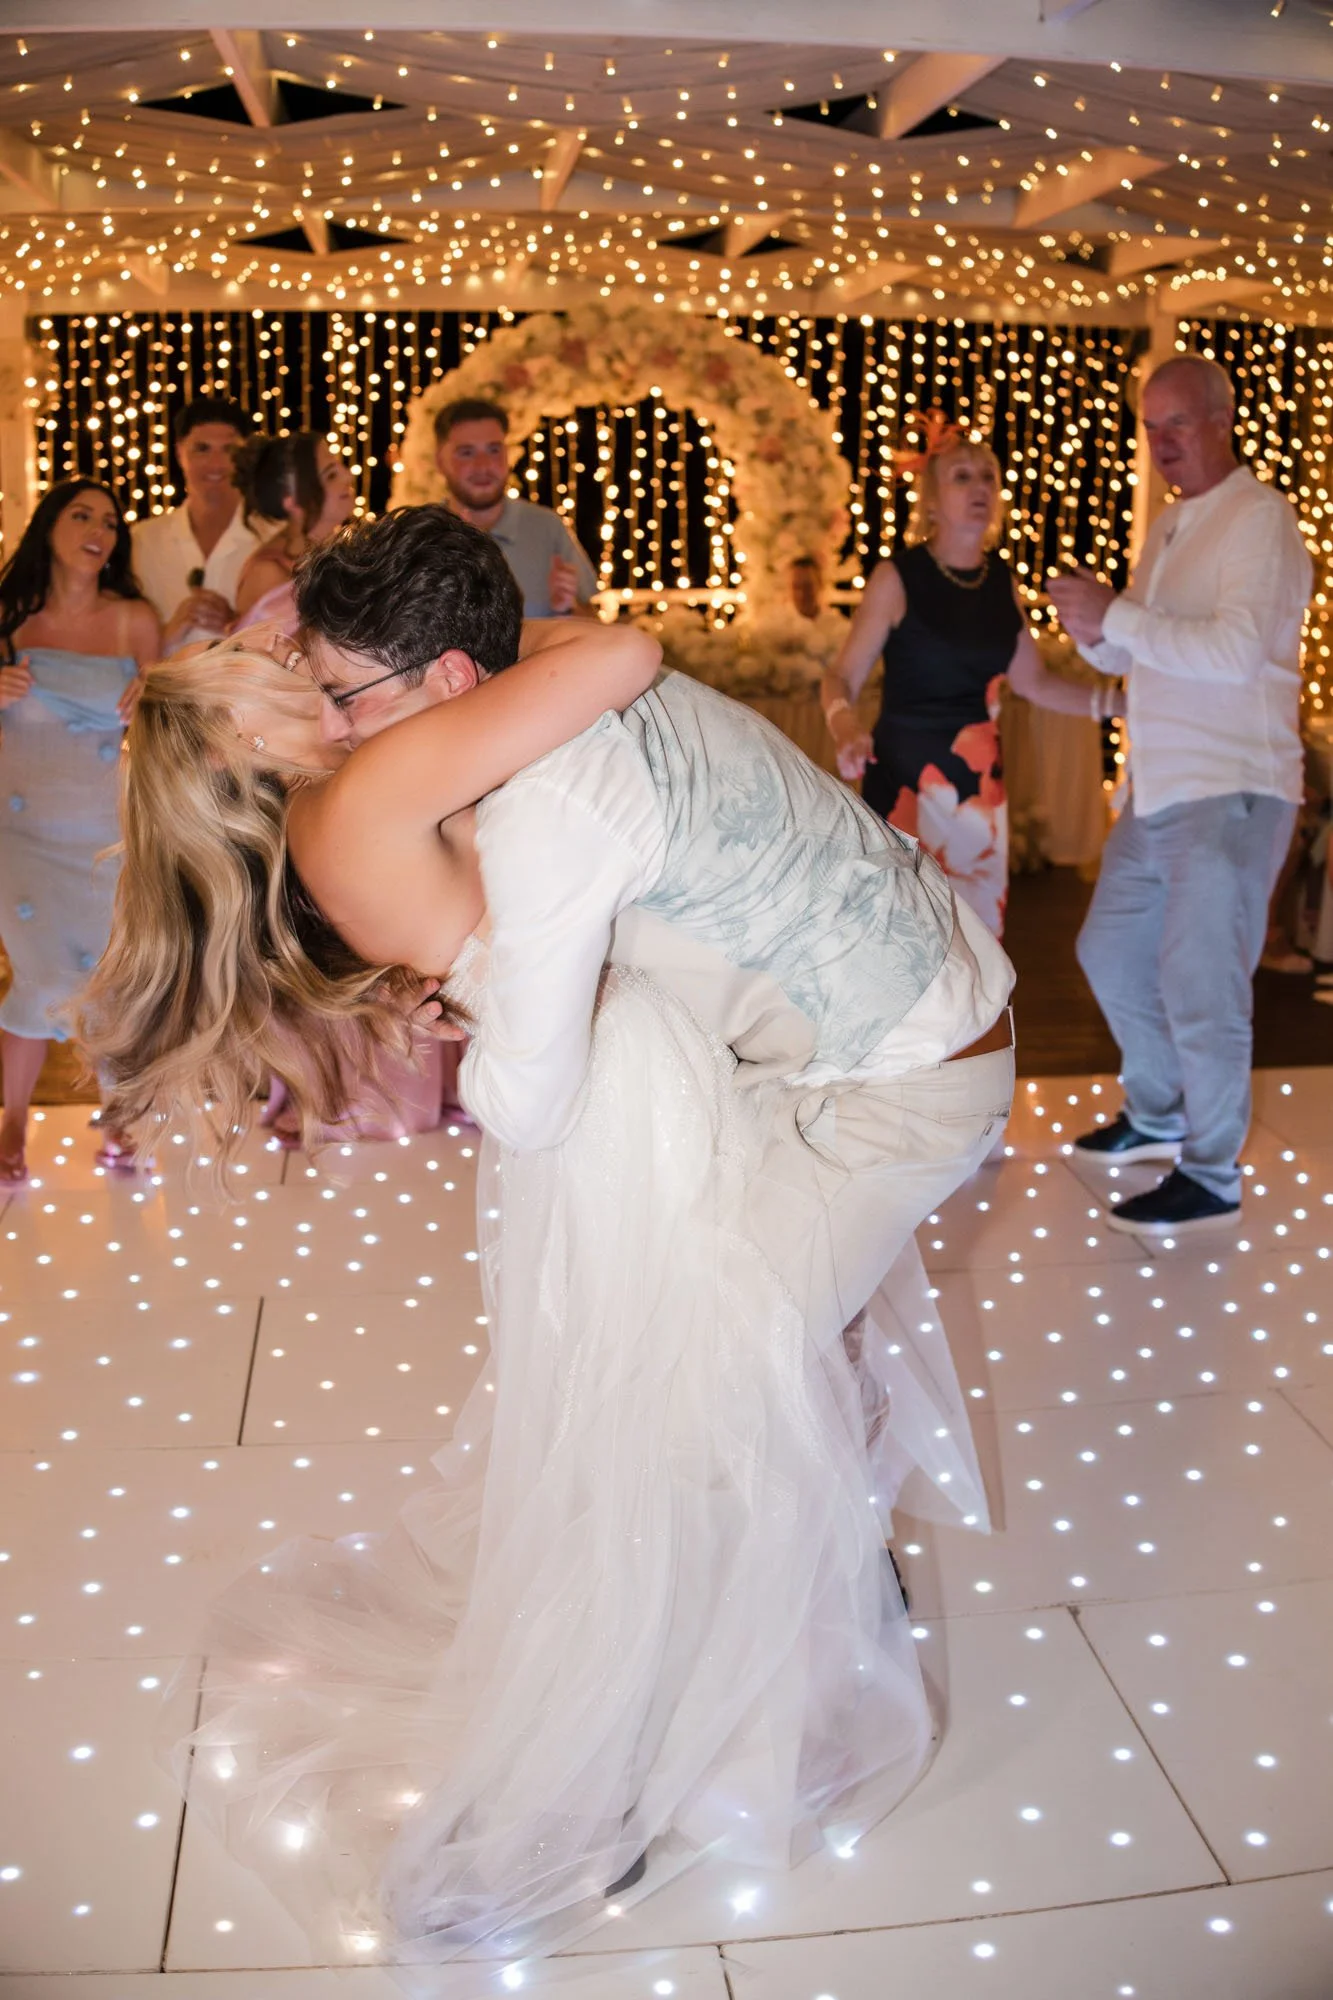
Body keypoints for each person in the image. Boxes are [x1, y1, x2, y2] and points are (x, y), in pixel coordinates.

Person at [78, 507, 1012, 1965]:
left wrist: (508, 990)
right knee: (719, 1371)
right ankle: (818, 1606)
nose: (332, 723)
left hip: (895, 1086)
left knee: (671, 1421)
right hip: (838, 1037)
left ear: (450, 685)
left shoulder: (544, 807)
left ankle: (610, 1786)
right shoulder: (538, 693)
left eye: (345, 695)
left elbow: (523, 1104)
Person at [1049, 354, 1314, 1236]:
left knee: (1202, 984)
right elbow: (1141, 653)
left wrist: (1117, 617)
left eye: (1177, 423)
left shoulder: (1259, 519)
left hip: (1232, 784)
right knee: (1110, 953)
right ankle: (1159, 1112)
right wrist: (1094, 630)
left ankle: (1210, 1172)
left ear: (1220, 417)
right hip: (1156, 788)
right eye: (1149, 426)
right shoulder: (1167, 524)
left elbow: (1236, 651)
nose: (1160, 442)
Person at [822, 419, 1120, 938]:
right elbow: (841, 676)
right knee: (902, 935)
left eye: (988, 476)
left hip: (979, 790)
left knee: (975, 940)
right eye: (962, 476)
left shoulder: (1000, 581)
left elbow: (1036, 683)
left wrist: (1123, 703)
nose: (980, 487)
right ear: (931, 500)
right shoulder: (898, 577)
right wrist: (843, 724)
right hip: (905, 782)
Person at [0, 481, 160, 1182]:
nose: (100, 531)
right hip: (21, 833)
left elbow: (163, 725)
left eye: (111, 523)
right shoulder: (7, 617)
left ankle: (122, 1110)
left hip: (105, 833)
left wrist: (153, 699)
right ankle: (10, 1121)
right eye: (83, 515)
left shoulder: (133, 620)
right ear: (49, 525)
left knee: (113, 977)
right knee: (37, 975)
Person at [434, 396, 598, 618]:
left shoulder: (546, 527)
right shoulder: (423, 533)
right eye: (467, 452)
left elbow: (595, 623)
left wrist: (568, 608)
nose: (483, 465)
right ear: (440, 461)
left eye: (494, 450)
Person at [131, 396, 259, 650]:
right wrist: (169, 631)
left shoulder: (272, 538)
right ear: (180, 452)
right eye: (202, 448)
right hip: (165, 685)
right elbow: (121, 643)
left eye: (230, 450)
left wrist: (236, 623)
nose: (216, 464)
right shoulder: (142, 540)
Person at [230, 430, 358, 628]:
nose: (348, 476)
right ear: (293, 500)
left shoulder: (341, 550)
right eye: (331, 475)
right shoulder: (268, 573)